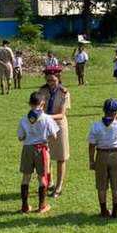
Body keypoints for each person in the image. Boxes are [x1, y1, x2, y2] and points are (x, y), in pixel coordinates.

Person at [17, 91, 60, 214]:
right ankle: (42, 206)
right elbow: (55, 136)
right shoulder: (47, 118)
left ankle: (25, 206)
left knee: (26, 177)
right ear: (42, 103)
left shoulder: (23, 119)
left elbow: (20, 137)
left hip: (27, 148)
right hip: (41, 149)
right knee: (42, 177)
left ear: (30, 103)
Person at [87, 98, 117, 219]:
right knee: (116, 185)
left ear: (103, 110)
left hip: (101, 155)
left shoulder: (96, 126)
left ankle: (103, 210)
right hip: (116, 155)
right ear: (116, 112)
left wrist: (91, 160)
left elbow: (92, 145)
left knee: (101, 185)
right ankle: (115, 211)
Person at [40, 66, 71, 198]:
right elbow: (39, 107)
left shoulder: (64, 93)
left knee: (60, 157)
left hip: (59, 126)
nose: (50, 83)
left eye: (53, 80)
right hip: (45, 126)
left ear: (58, 78)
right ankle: (50, 182)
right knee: (46, 156)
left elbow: (62, 114)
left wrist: (45, 116)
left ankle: (59, 187)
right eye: (48, 80)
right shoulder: (42, 91)